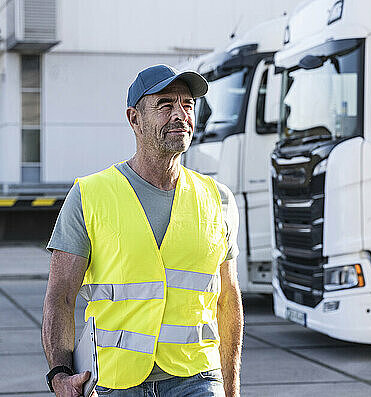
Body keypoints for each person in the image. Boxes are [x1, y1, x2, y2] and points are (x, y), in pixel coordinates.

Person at [42, 64, 243, 397]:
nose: (181, 114)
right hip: (114, 381)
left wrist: (231, 388)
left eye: (187, 105)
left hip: (198, 378)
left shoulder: (218, 199)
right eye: (166, 105)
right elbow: (60, 297)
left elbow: (227, 301)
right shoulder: (90, 195)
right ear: (134, 118)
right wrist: (60, 374)